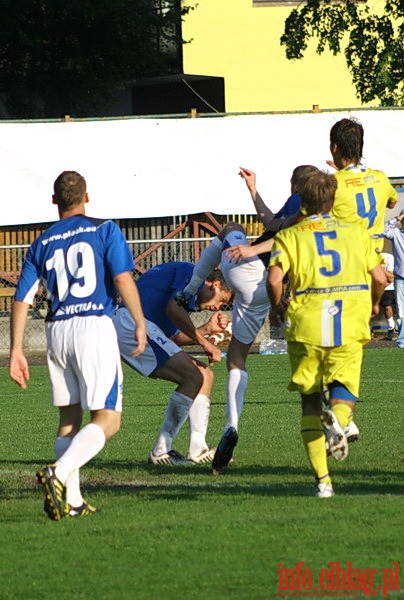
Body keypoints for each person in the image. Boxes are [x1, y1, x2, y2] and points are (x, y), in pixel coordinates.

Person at [9, 171, 147, 520]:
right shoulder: (104, 228)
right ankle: (57, 471)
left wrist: (16, 351)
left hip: (57, 330)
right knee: (108, 418)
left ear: (54, 201)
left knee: (69, 418)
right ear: (87, 196)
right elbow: (121, 277)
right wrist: (140, 320)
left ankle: (71, 501)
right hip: (93, 325)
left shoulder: (40, 243)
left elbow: (22, 299)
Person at [267, 170, 387, 498]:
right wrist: (374, 304)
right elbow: (379, 276)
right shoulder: (356, 232)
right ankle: (339, 417)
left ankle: (323, 482)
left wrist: (278, 308)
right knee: (344, 389)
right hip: (349, 320)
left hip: (306, 324)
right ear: (333, 200)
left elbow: (276, 280)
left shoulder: (290, 236)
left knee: (308, 402)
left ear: (302, 202)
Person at [114, 262, 233, 465]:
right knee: (192, 376)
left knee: (205, 375)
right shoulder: (190, 273)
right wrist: (205, 343)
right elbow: (173, 310)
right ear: (213, 284)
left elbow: (172, 338)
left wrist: (206, 329)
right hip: (131, 324)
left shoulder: (183, 297)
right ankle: (161, 449)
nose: (218, 307)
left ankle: (198, 448)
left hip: (142, 327)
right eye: (221, 300)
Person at [176, 223, 270, 473]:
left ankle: (231, 426)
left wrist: (254, 248)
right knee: (238, 358)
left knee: (231, 227)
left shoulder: (298, 211)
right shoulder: (323, 222)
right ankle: (341, 418)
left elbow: (286, 233)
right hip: (271, 288)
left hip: (249, 268)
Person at [328, 117, 397, 251]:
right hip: (375, 260)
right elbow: (392, 203)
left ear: (334, 147)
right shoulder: (380, 178)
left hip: (347, 261)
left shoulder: (332, 183)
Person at [384, 210, 404, 348]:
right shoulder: (396, 233)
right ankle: (402, 340)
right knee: (402, 310)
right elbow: (382, 229)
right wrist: (397, 218)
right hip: (400, 277)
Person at [378, 250, 396, 339]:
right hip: (372, 287)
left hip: (387, 287)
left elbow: (391, 278)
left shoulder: (389, 257)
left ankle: (391, 328)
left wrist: (379, 267)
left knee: (387, 307)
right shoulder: (367, 257)